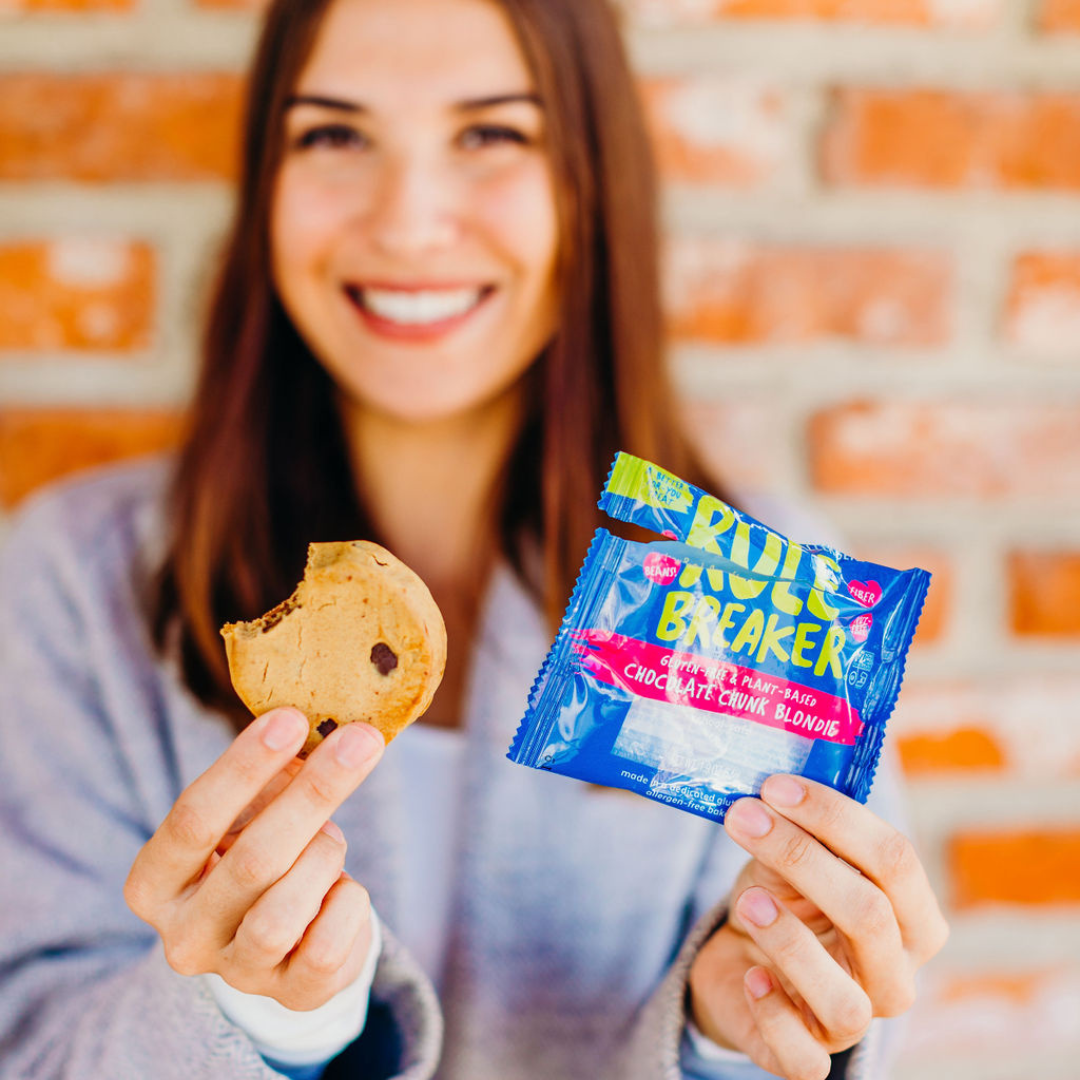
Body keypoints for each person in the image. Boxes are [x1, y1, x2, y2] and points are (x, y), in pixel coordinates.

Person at [0, 0, 949, 1077]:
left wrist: (735, 1040)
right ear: (265, 177)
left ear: (591, 180)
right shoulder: (76, 583)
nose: (408, 221)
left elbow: (835, 1015)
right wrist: (262, 1016)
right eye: (335, 134)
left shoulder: (773, 595)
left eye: (492, 133)